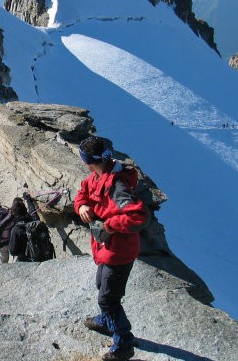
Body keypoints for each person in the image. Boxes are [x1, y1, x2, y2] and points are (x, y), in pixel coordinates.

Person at [73, 136, 149, 361]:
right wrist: (82, 206)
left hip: (119, 251)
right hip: (106, 248)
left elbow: (139, 215)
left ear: (89, 161)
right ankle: (107, 321)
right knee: (101, 284)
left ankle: (123, 343)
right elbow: (82, 194)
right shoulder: (98, 176)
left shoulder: (117, 185)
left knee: (108, 299)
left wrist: (110, 225)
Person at [8, 195, 38, 261]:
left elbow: (12, 251)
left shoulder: (15, 230)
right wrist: (28, 200)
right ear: (25, 209)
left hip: (24, 260)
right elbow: (33, 213)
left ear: (14, 212)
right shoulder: (34, 222)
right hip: (39, 256)